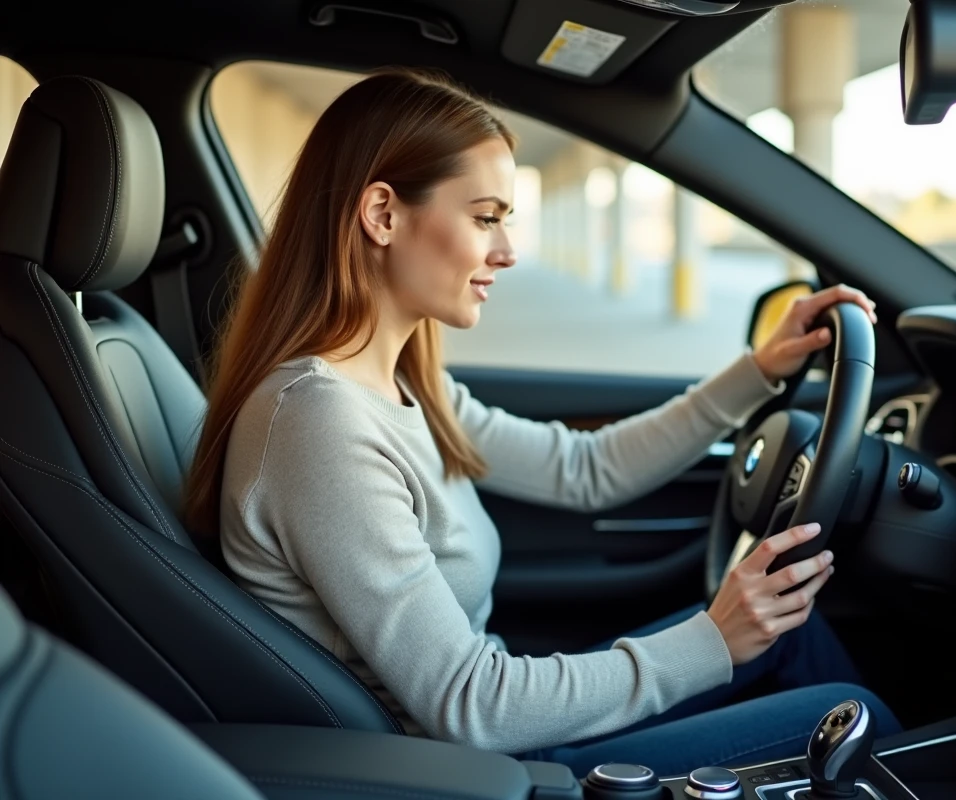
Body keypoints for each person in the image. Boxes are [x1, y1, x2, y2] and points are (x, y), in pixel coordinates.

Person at [182, 67, 900, 778]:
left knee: (790, 637)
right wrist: (713, 638)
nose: (507, 250)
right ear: (382, 215)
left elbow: (586, 469)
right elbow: (469, 703)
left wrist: (761, 370)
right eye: (485, 216)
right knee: (849, 711)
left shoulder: (399, 387)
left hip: (497, 735)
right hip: (479, 769)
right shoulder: (319, 421)